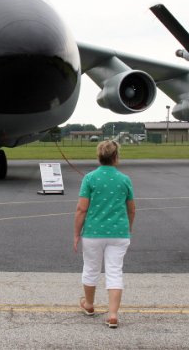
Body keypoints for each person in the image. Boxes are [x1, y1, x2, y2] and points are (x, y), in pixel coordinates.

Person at [73, 139, 136, 329]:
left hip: (93, 232)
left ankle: (89, 305)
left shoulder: (90, 178)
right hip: (119, 233)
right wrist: (128, 228)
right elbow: (132, 209)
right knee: (114, 271)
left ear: (99, 156)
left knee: (91, 269)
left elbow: (81, 209)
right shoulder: (125, 179)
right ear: (116, 157)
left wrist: (76, 233)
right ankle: (113, 314)